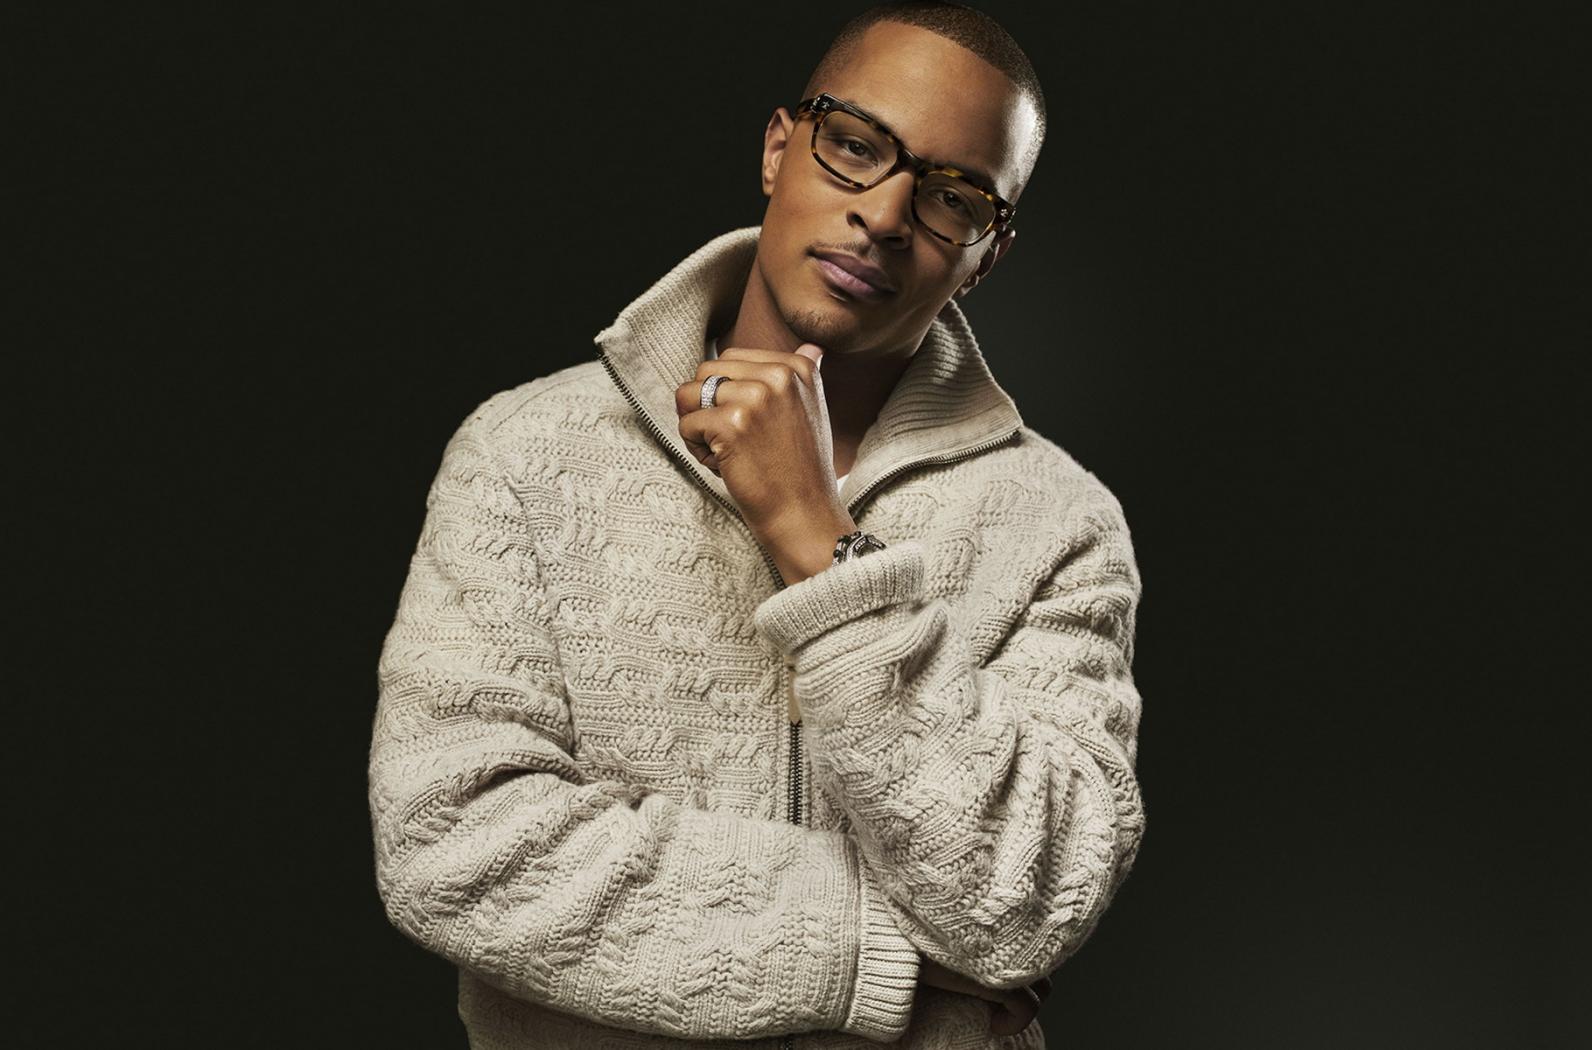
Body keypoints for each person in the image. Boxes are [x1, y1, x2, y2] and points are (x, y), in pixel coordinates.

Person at [367, 3, 1146, 1047]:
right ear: (780, 149)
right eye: (856, 147)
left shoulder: (1061, 524)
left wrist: (820, 542)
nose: (885, 214)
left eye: (953, 198)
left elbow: (1022, 904)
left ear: (988, 253)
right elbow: (450, 848)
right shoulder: (525, 453)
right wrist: (880, 956)